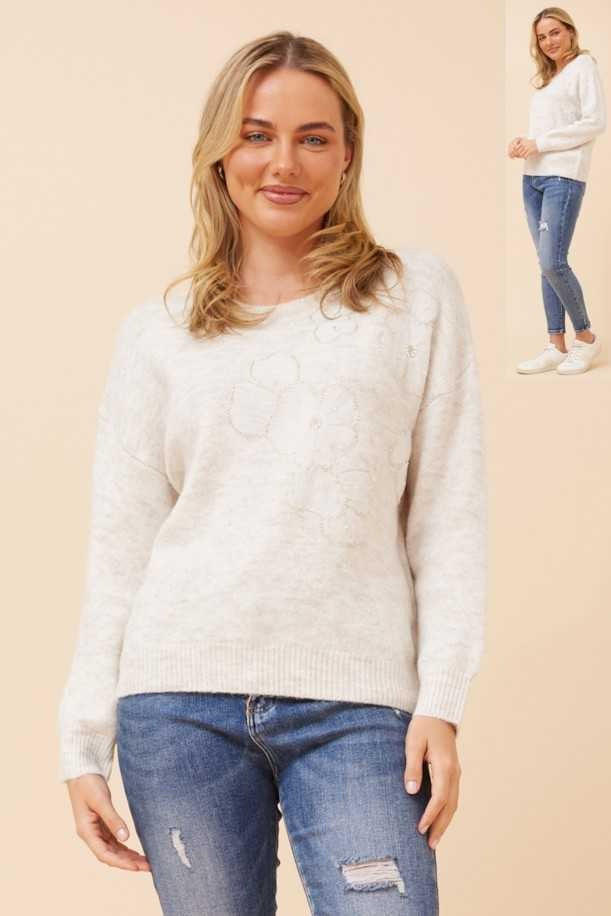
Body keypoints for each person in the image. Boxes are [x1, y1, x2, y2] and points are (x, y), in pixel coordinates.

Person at [58, 30, 487, 915]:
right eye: (256, 135)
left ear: (347, 153)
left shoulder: (411, 296)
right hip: (176, 706)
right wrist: (82, 742)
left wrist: (441, 700)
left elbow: (448, 513)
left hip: (358, 707)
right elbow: (121, 546)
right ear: (220, 152)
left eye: (312, 137)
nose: (282, 162)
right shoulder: (159, 330)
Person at [508, 7, 606, 375]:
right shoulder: (548, 79)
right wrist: (524, 143)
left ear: (570, 31)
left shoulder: (584, 66)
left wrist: (540, 143)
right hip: (533, 177)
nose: (548, 41)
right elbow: (547, 131)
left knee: (553, 262)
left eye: (554, 32)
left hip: (562, 177)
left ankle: (586, 338)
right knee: (545, 265)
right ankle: (556, 344)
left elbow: (595, 122)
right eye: (541, 37)